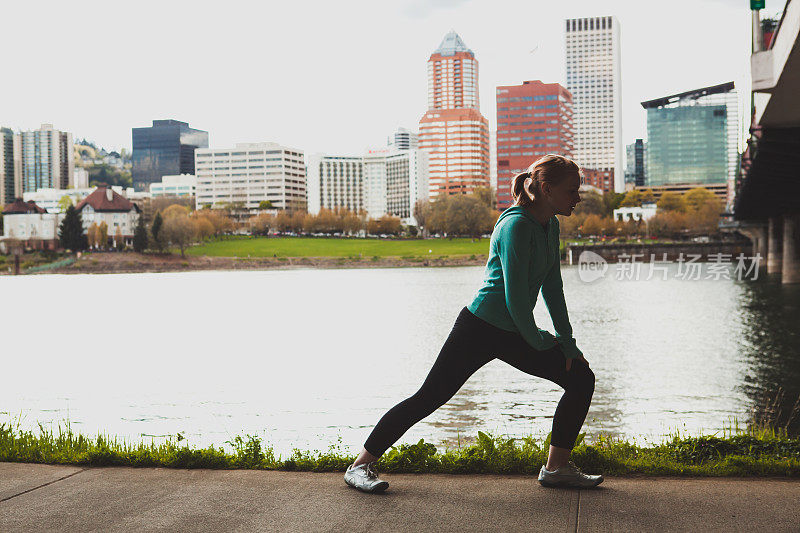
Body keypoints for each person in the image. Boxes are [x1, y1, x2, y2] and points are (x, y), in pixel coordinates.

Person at [344, 154, 603, 493]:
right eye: (572, 191)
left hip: (515, 329)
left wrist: (567, 342)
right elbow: (514, 298)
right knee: (429, 396)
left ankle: (556, 469)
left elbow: (552, 286)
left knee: (581, 377)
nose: (578, 198)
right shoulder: (516, 226)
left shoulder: (549, 224)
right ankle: (360, 466)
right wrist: (539, 340)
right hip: (480, 328)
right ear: (546, 188)